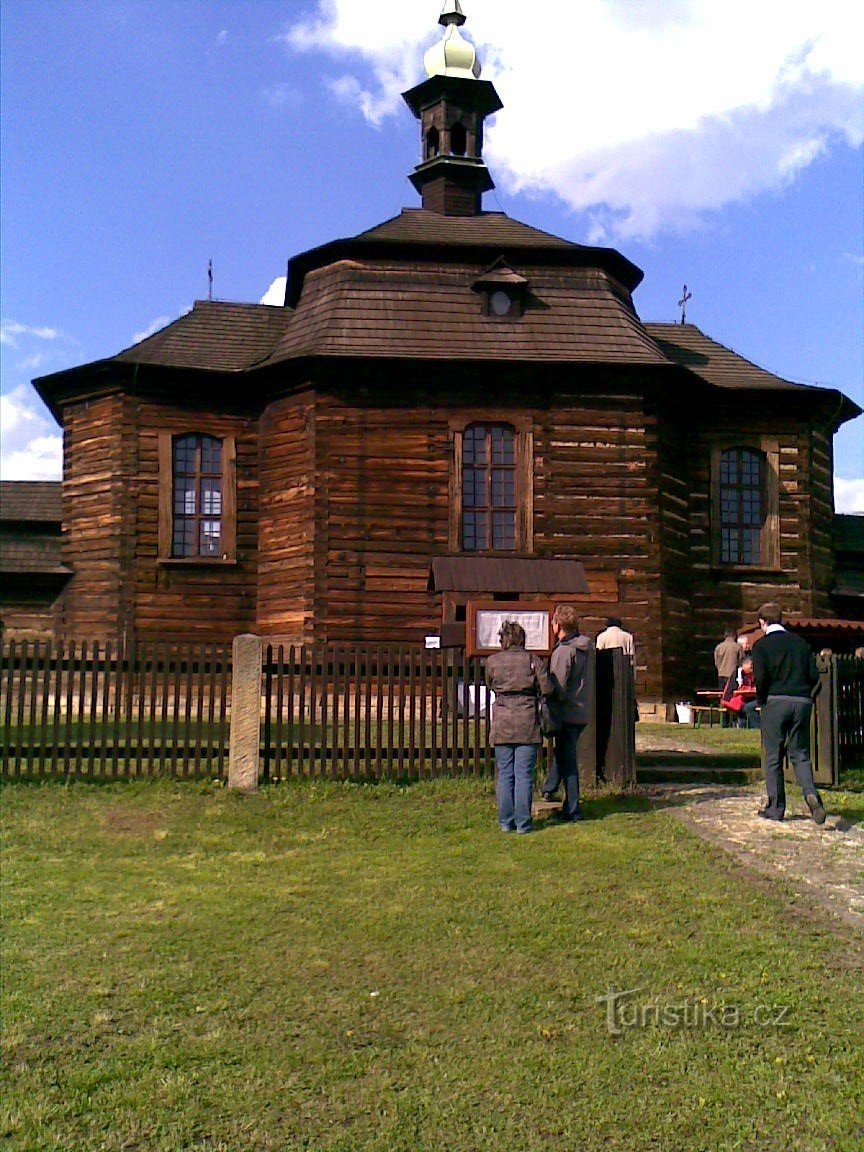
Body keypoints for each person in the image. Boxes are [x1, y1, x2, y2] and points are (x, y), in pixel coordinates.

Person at [751, 603, 825, 824]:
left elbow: (761, 678)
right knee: (800, 753)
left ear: (762, 622)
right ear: (781, 620)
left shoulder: (761, 646)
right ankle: (811, 794)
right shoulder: (801, 643)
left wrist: (762, 701)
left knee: (773, 755)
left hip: (776, 701)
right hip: (801, 701)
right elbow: (813, 675)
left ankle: (775, 807)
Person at [485, 621, 551, 834]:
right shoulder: (533, 660)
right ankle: (523, 823)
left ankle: (505, 821)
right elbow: (547, 688)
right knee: (523, 775)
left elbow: (490, 684)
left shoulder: (492, 661)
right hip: (527, 719)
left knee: (505, 774)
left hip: (503, 719)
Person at [540, 605, 594, 822]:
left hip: (567, 711)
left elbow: (558, 686)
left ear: (558, 626)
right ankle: (549, 787)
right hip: (582, 708)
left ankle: (572, 809)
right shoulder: (586, 648)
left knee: (568, 760)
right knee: (564, 753)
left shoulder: (564, 652)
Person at [721, 656, 760, 729]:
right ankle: (749, 726)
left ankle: (755, 726)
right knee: (746, 707)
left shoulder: (754, 674)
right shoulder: (738, 674)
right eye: (751, 665)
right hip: (734, 700)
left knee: (748, 707)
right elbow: (738, 689)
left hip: (752, 698)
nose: (752, 667)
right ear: (744, 665)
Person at [714, 628, 742, 728]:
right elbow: (741, 661)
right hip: (733, 676)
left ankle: (724, 721)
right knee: (733, 698)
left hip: (721, 675)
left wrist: (721, 669)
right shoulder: (737, 647)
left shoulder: (719, 647)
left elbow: (716, 662)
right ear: (734, 636)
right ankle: (733, 720)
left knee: (723, 698)